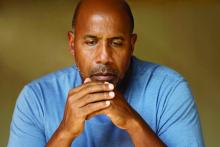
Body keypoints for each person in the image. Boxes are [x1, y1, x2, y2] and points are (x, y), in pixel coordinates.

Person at [8, 0, 204, 146]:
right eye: (91, 42)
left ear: (131, 45)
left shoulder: (169, 90)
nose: (104, 57)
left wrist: (133, 123)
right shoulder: (35, 98)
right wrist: (65, 133)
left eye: (117, 43)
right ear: (72, 44)